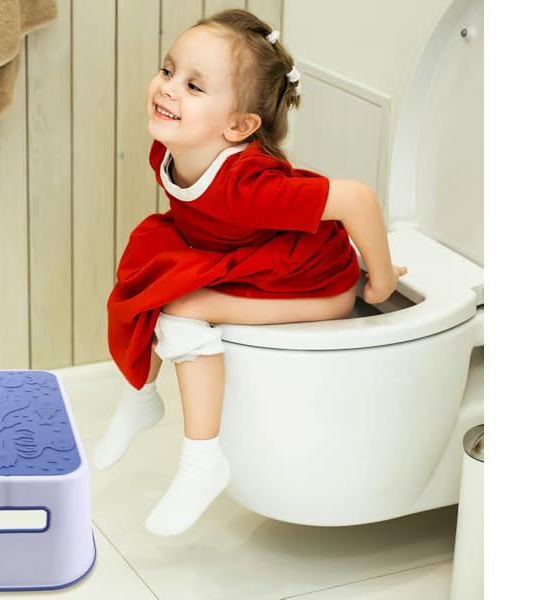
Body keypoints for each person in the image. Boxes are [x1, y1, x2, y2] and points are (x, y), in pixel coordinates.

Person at [97, 9, 407, 536]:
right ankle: (141, 397)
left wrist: (379, 279)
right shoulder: (172, 148)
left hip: (314, 285)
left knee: (181, 308)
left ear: (239, 128)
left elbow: (357, 198)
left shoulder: (248, 184)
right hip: (255, 261)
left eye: (194, 86)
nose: (168, 89)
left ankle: (202, 460)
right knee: (147, 260)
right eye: (168, 70)